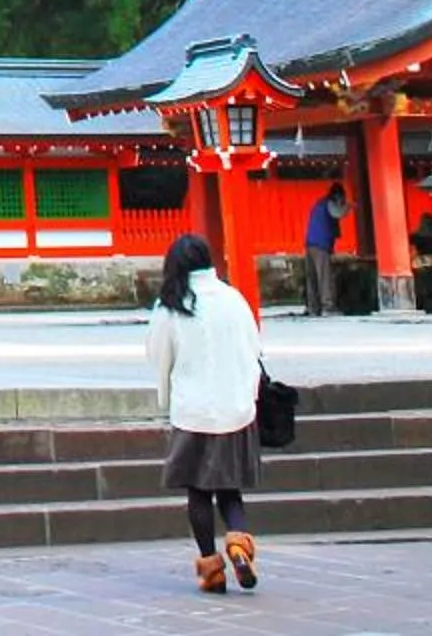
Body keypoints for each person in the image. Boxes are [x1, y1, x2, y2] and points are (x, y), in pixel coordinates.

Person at [145, 234, 264, 594]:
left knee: (198, 492)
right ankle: (239, 545)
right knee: (229, 489)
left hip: (194, 410)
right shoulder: (233, 298)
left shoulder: (170, 306)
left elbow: (159, 357)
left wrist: (165, 401)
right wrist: (249, 395)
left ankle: (211, 568)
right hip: (235, 407)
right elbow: (253, 347)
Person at [302, 187, 347, 316]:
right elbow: (338, 213)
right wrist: (349, 207)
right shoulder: (329, 204)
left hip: (310, 244)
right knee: (324, 277)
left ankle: (313, 307)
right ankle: (328, 307)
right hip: (320, 245)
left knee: (313, 278)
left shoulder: (319, 204)